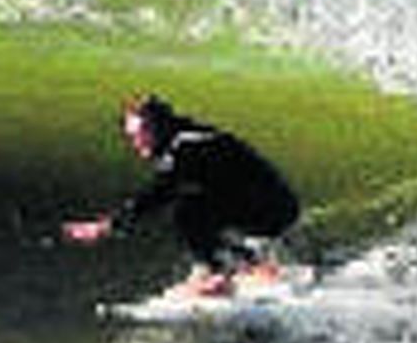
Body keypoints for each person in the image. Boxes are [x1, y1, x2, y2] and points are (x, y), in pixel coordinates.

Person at [63, 94, 300, 296]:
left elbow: (157, 194)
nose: (135, 143)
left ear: (158, 126)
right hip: (271, 205)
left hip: (273, 209)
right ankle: (255, 268)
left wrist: (105, 227)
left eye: (140, 134)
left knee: (187, 210)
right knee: (195, 207)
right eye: (131, 136)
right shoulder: (184, 139)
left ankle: (222, 276)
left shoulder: (187, 147)